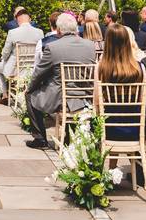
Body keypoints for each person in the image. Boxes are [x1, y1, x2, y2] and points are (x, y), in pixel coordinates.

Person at [24, 13, 97, 149]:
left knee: (29, 95)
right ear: (76, 29)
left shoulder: (53, 47)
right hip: (85, 96)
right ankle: (70, 136)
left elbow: (39, 73)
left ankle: (40, 138)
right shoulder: (90, 46)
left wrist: (30, 87)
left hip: (60, 97)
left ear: (58, 30)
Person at [98, 24, 144, 141]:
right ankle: (135, 158)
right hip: (135, 127)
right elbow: (142, 99)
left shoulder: (101, 68)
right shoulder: (139, 67)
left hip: (108, 128)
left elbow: (96, 102)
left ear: (107, 43)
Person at [0, 8, 44, 104]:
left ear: (18, 20)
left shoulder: (13, 32)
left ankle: (4, 94)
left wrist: (4, 59)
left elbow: (5, 52)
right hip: (33, 69)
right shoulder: (40, 32)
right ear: (29, 19)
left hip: (15, 69)